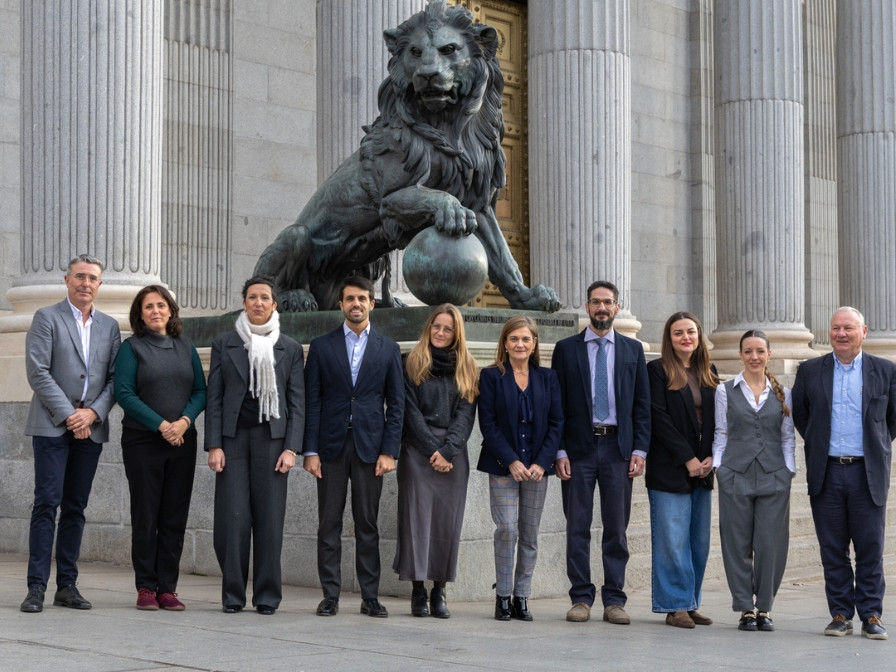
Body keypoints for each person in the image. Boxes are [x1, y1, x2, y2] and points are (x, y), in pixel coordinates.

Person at [20, 254, 121, 613]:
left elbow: (114, 379)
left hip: (90, 430)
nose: (85, 283)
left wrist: (92, 413)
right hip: (51, 426)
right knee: (47, 503)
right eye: (79, 276)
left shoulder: (110, 326)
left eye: (92, 278)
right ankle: (36, 588)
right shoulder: (47, 317)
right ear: (66, 280)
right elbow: (38, 372)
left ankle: (67, 585)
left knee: (76, 507)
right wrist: (70, 415)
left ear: (99, 285)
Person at [303, 276, 404, 618]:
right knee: (328, 525)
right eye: (350, 298)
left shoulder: (389, 349)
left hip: (370, 449)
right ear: (341, 304)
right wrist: (310, 451)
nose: (356, 304)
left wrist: (390, 451)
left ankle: (370, 597)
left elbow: (397, 404)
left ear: (372, 304)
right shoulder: (321, 346)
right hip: (330, 448)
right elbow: (311, 402)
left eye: (362, 298)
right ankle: (330, 595)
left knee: (367, 525)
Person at [792, 307, 896, 640]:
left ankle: (871, 614)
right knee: (832, 548)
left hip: (868, 473)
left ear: (863, 331)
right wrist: (822, 443)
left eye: (848, 328)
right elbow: (802, 416)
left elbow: (891, 420)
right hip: (828, 472)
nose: (841, 334)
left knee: (870, 547)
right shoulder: (810, 370)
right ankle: (840, 613)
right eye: (836, 328)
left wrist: (875, 445)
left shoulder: (886, 370)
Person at [551, 280, 650, 625]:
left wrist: (639, 448)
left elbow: (641, 405)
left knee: (616, 527)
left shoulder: (632, 351)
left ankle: (614, 600)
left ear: (617, 307)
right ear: (587, 306)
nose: (602, 308)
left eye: (608, 302)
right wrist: (559, 450)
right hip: (577, 450)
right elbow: (557, 405)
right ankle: (580, 597)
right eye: (595, 302)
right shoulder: (566, 350)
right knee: (577, 525)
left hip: (618, 449)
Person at [205, 276, 305, 615]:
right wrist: (213, 445)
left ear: (274, 304)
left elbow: (297, 402)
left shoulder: (289, 348)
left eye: (264, 298)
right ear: (244, 303)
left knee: (269, 520)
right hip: (232, 442)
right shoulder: (225, 343)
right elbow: (215, 398)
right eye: (252, 297)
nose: (258, 303)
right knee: (232, 521)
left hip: (273, 442)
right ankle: (232, 595)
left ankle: (266, 596)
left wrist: (292, 449)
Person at [114, 285, 207, 611]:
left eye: (161, 305)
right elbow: (124, 393)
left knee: (173, 515)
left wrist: (183, 422)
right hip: (143, 442)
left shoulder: (186, 346)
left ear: (171, 310)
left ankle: (168, 587)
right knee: (146, 514)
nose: (155, 311)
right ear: (140, 314)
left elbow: (200, 390)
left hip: (182, 441)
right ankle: (146, 586)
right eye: (148, 307)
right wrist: (161, 425)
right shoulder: (132, 348)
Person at [393, 304, 478, 619]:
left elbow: (466, 415)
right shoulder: (410, 362)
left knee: (446, 523)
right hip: (418, 452)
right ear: (429, 327)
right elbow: (408, 412)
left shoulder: (468, 367)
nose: (441, 333)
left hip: (453, 457)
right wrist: (433, 450)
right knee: (416, 521)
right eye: (437, 327)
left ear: (457, 334)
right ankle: (417, 590)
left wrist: (448, 450)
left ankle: (439, 589)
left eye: (448, 329)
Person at [478, 316, 563, 622]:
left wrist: (542, 462)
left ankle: (521, 597)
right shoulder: (490, 377)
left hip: (538, 469)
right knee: (507, 529)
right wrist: (511, 460)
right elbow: (487, 424)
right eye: (514, 339)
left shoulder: (547, 378)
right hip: (503, 467)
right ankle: (502, 595)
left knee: (529, 535)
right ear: (504, 343)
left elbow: (556, 423)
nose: (520, 344)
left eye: (526, 339)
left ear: (534, 343)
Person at [712, 330, 795, 632]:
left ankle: (765, 608)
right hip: (735, 472)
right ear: (740, 354)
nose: (754, 357)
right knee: (736, 543)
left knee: (770, 543)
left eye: (760, 351)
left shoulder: (783, 391)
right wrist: (720, 467)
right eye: (748, 351)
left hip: (774, 475)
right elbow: (721, 432)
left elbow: (787, 437)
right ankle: (745, 607)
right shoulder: (726, 390)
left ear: (769, 354)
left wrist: (789, 471)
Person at [646, 311, 718, 628]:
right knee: (672, 540)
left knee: (697, 542)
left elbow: (717, 422)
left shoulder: (709, 371)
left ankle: (689, 603)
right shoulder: (657, 371)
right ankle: (673, 605)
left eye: (691, 331)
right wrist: (687, 457)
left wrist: (710, 459)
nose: (685, 337)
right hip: (669, 468)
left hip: (703, 470)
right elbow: (658, 418)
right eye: (678, 332)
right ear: (669, 338)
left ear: (699, 336)